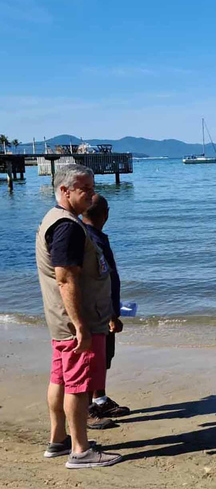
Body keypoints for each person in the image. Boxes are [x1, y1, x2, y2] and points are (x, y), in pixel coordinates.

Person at [35, 164, 122, 468]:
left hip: (64, 321)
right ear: (64, 190)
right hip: (76, 322)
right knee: (79, 385)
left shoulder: (58, 220)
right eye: (84, 188)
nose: (92, 194)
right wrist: (82, 326)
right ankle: (80, 451)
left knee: (60, 378)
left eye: (92, 187)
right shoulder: (67, 226)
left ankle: (59, 440)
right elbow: (65, 278)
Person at [81, 194, 130, 425]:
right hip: (99, 310)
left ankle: (99, 399)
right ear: (106, 214)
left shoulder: (90, 236)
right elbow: (101, 280)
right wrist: (111, 314)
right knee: (96, 358)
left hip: (101, 307)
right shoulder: (91, 239)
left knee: (103, 357)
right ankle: (90, 407)